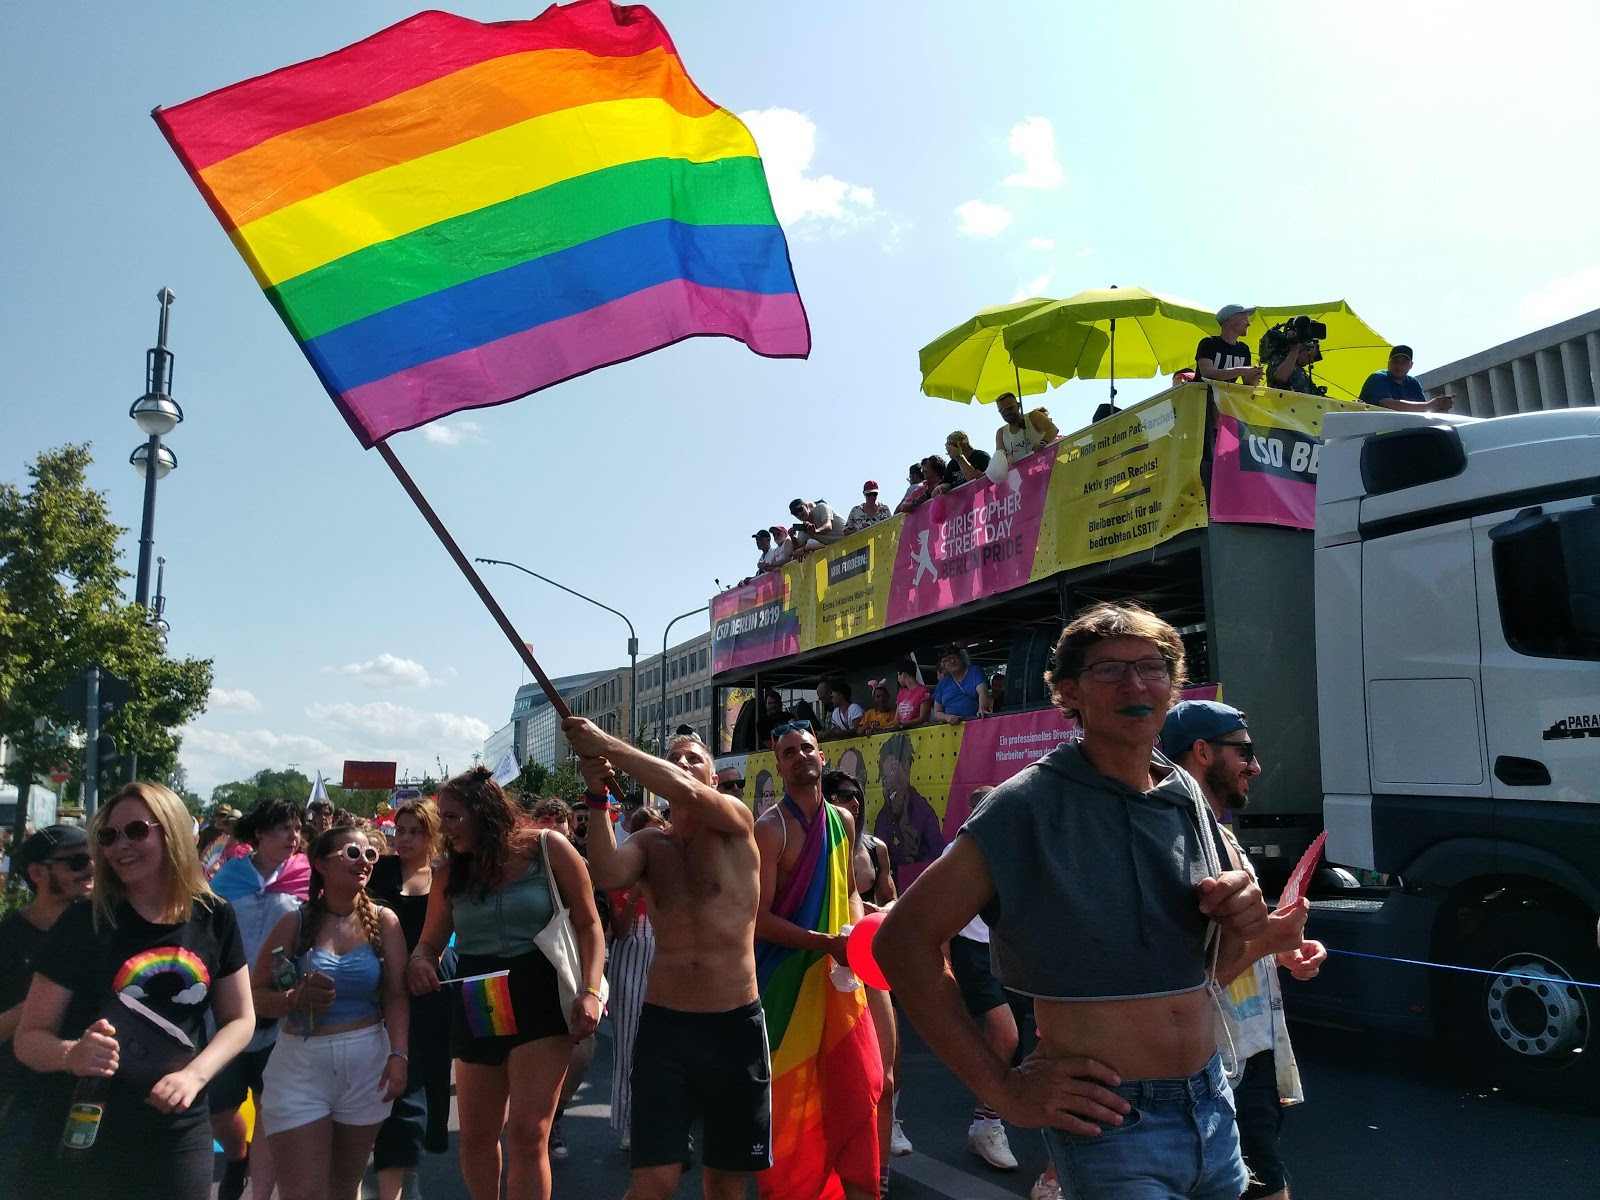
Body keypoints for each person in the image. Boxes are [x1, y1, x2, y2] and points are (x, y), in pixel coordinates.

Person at [876, 603, 1272, 1200]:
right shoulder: (1026, 804)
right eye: (1109, 671)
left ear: (1173, 684)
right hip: (1112, 1121)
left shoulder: (1185, 790)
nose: (1136, 685)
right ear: (1069, 693)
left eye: (1152, 667)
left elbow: (1214, 967)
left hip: (1213, 1102)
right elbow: (900, 942)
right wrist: (1005, 1091)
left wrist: (1243, 916)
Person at [15, 782, 256, 1200]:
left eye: (136, 831)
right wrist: (71, 1054)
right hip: (85, 1126)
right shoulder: (83, 922)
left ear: (173, 833)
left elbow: (240, 1019)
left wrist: (194, 1076)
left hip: (178, 1128)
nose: (119, 846)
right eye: (108, 836)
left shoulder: (214, 916)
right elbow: (29, 1038)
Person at [563, 720, 768, 1200]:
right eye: (675, 758)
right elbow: (608, 873)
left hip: (734, 1027)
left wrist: (608, 744)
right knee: (654, 1181)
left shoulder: (737, 820)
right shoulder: (651, 844)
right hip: (665, 1029)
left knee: (725, 1182)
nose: (682, 765)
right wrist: (597, 798)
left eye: (694, 758)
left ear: (714, 780)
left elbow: (685, 793)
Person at [406, 767, 604, 1200]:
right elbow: (430, 941)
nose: (444, 829)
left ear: (483, 813)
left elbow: (590, 924)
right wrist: (420, 961)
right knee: (477, 1136)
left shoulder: (549, 848)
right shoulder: (449, 871)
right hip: (478, 997)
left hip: (540, 992)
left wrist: (590, 991)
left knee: (529, 1134)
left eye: (452, 817)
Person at [1161, 702, 1327, 1200]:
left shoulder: (1224, 835)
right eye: (1245, 751)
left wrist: (1282, 954)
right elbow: (1182, 980)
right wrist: (1268, 942)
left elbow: (1228, 947)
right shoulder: (1174, 844)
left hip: (1251, 1050)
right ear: (1202, 752)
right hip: (1211, 1066)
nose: (1254, 765)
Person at [754, 724, 883, 1200]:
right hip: (783, 982)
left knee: (856, 1082)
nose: (800, 756)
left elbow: (847, 890)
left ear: (823, 757)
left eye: (807, 748)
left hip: (838, 975)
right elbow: (759, 921)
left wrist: (854, 944)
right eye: (789, 752)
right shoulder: (769, 829)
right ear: (779, 765)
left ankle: (848, 1183)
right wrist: (828, 943)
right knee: (792, 1097)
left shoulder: (844, 822)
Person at [251, 825, 409, 1200]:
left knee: (343, 1187)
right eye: (353, 853)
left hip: (366, 1065)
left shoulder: (385, 921)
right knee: (304, 1192)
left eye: (371, 855)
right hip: (300, 1068)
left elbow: (397, 994)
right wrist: (294, 998)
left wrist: (399, 1055)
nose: (365, 862)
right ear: (321, 863)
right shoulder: (296, 921)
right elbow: (255, 995)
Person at [207, 798, 310, 1200]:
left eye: (297, 828)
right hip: (229, 1009)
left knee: (271, 1105)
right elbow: (206, 930)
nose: (294, 836)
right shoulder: (228, 878)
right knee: (219, 1106)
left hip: (279, 1009)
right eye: (284, 828)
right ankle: (237, 1157)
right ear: (261, 834)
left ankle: (260, 1189)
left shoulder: (305, 878)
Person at [366, 798, 455, 1199]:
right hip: (380, 994)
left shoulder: (445, 877)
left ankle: (408, 1166)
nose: (403, 838)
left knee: (424, 1082)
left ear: (431, 834)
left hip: (429, 993)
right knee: (394, 1085)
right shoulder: (378, 872)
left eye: (414, 830)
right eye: (399, 830)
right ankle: (396, 1174)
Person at [0, 825, 94, 1195]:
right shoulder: (8, 939)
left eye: (93, 859)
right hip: (21, 1100)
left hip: (86, 1096)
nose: (90, 868)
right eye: (77, 861)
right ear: (38, 873)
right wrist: (43, 1002)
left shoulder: (100, 929)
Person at [937, 787, 1024, 1178]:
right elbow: (936, 919)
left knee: (1026, 1044)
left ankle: (994, 1116)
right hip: (972, 951)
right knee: (1005, 1036)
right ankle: (986, 1124)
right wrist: (946, 970)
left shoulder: (1014, 848)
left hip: (1011, 954)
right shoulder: (957, 852)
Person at [824, 770, 906, 1183]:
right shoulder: (812, 846)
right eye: (839, 795)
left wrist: (881, 914)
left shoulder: (876, 848)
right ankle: (830, 1168)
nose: (850, 801)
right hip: (824, 970)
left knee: (885, 1078)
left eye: (855, 794)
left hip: (870, 967)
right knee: (830, 1078)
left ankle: (880, 1174)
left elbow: (891, 902)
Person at [602, 805, 667, 1154]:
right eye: (648, 835)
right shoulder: (623, 876)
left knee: (670, 1044)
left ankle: (669, 1121)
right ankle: (629, 1123)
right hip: (631, 952)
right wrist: (636, 892)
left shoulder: (675, 872)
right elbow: (620, 930)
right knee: (629, 1044)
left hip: (669, 951)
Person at [873, 733, 945, 881]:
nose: (889, 783)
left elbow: (939, 858)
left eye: (893, 772)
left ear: (906, 768)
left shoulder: (924, 812)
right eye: (885, 777)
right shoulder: (883, 817)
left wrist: (914, 854)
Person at [1358, 345, 1455, 413]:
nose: (1399, 365)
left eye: (1404, 362)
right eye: (1395, 361)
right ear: (1388, 363)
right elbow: (1389, 404)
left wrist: (1440, 407)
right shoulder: (1377, 378)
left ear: (1411, 365)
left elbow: (1423, 411)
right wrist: (1430, 405)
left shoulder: (1413, 383)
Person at [1195, 304, 1264, 386]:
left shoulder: (1244, 349)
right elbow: (1206, 373)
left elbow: (1248, 384)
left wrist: (1254, 376)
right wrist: (1241, 370)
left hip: (1225, 398)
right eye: (1245, 319)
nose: (1248, 324)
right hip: (1201, 396)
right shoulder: (1209, 343)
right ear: (1232, 320)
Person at [993, 392, 1060, 463]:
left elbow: (1053, 429)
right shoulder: (1001, 433)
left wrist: (1043, 443)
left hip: (1045, 466)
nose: (1006, 413)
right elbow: (999, 457)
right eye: (1002, 411)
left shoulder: (1033, 416)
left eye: (1009, 408)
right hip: (1022, 473)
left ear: (1018, 405)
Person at [932, 644, 990, 724]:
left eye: (954, 657)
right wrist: (947, 717)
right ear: (944, 665)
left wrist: (982, 709)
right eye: (947, 660)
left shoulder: (975, 671)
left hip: (976, 723)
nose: (952, 661)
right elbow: (937, 713)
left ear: (961, 658)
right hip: (952, 729)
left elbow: (983, 692)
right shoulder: (942, 683)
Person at [893, 660, 932, 729]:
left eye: (898, 675)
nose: (897, 679)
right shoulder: (901, 693)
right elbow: (896, 718)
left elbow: (923, 718)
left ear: (904, 674)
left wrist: (902, 725)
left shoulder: (923, 691)